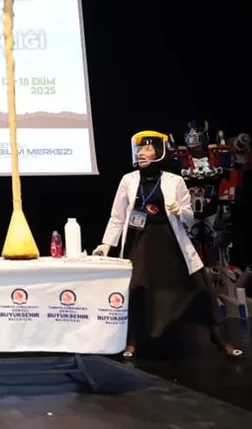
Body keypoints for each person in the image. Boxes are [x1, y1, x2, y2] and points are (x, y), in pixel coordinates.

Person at [92, 130, 242, 358]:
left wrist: (180, 211)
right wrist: (106, 244)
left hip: (170, 242)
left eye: (148, 149)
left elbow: (190, 217)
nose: (141, 153)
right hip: (140, 243)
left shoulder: (175, 181)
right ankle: (131, 340)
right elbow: (117, 216)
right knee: (134, 289)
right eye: (139, 149)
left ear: (160, 153)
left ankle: (221, 339)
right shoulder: (128, 180)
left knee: (200, 288)